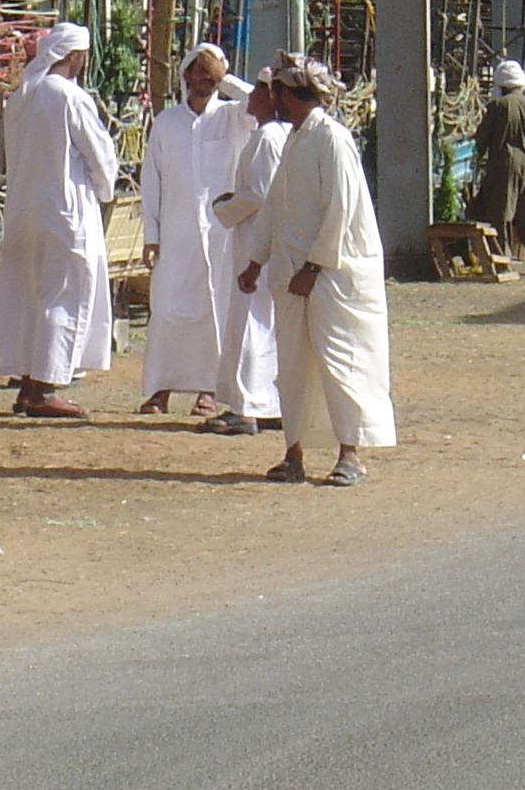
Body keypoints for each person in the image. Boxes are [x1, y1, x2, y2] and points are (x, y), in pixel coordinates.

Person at [237, 59, 394, 487]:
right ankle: (293, 453)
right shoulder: (295, 140)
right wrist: (256, 260)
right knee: (292, 366)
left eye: (276, 93)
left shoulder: (332, 139)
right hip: (292, 276)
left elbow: (341, 209)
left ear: (289, 95)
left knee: (343, 362)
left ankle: (351, 455)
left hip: (335, 276)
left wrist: (313, 266)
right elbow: (275, 205)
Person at [0, 20, 118, 418]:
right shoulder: (68, 96)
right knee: (63, 295)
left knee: (31, 297)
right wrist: (105, 192)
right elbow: (101, 156)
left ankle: (29, 385)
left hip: (23, 213)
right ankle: (45, 388)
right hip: (67, 213)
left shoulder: (21, 98)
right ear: (74, 56)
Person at [136, 43, 243, 416]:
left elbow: (261, 103)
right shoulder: (166, 123)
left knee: (217, 310)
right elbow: (152, 181)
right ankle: (159, 389)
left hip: (220, 237)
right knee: (166, 310)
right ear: (185, 76)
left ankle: (209, 390)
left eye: (209, 73)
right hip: (176, 236)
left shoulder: (233, 117)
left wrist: (224, 77)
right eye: (198, 71)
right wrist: (151, 235)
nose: (204, 79)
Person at [204, 73, 286, 437]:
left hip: (258, 244)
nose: (251, 96)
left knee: (252, 323)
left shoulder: (269, 137)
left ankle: (247, 408)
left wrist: (224, 207)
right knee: (264, 325)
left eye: (258, 90)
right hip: (267, 244)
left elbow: (257, 195)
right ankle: (268, 404)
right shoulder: (276, 135)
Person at [469, 58, 525, 274]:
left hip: (504, 167)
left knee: (501, 214)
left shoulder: (497, 106)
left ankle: (502, 261)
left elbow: (481, 140)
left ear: (501, 86)